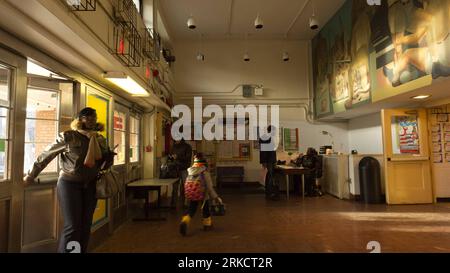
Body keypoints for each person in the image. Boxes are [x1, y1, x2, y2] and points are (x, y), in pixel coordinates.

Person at [23, 107, 114, 253]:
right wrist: (31, 175)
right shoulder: (68, 136)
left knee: (85, 225)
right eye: (87, 117)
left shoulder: (100, 139)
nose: (91, 120)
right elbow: (46, 155)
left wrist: (109, 158)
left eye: (94, 117)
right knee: (73, 226)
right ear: (79, 120)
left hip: (91, 185)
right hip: (69, 185)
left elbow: (102, 163)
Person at [179, 153, 222, 236]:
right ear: (204, 163)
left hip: (192, 194)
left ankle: (184, 221)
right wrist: (216, 197)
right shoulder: (205, 173)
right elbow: (209, 188)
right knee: (206, 210)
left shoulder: (190, 171)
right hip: (203, 194)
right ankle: (207, 225)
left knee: (191, 210)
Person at [259, 125, 279, 200]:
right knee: (270, 176)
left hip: (270, 160)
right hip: (269, 160)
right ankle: (269, 192)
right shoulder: (265, 137)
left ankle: (269, 192)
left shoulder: (268, 137)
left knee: (269, 176)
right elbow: (264, 151)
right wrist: (264, 161)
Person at [171, 138, 192, 205]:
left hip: (184, 169)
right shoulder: (173, 146)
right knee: (175, 187)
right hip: (176, 168)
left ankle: (185, 203)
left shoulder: (187, 146)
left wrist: (177, 157)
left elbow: (188, 158)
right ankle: (174, 203)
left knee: (184, 187)